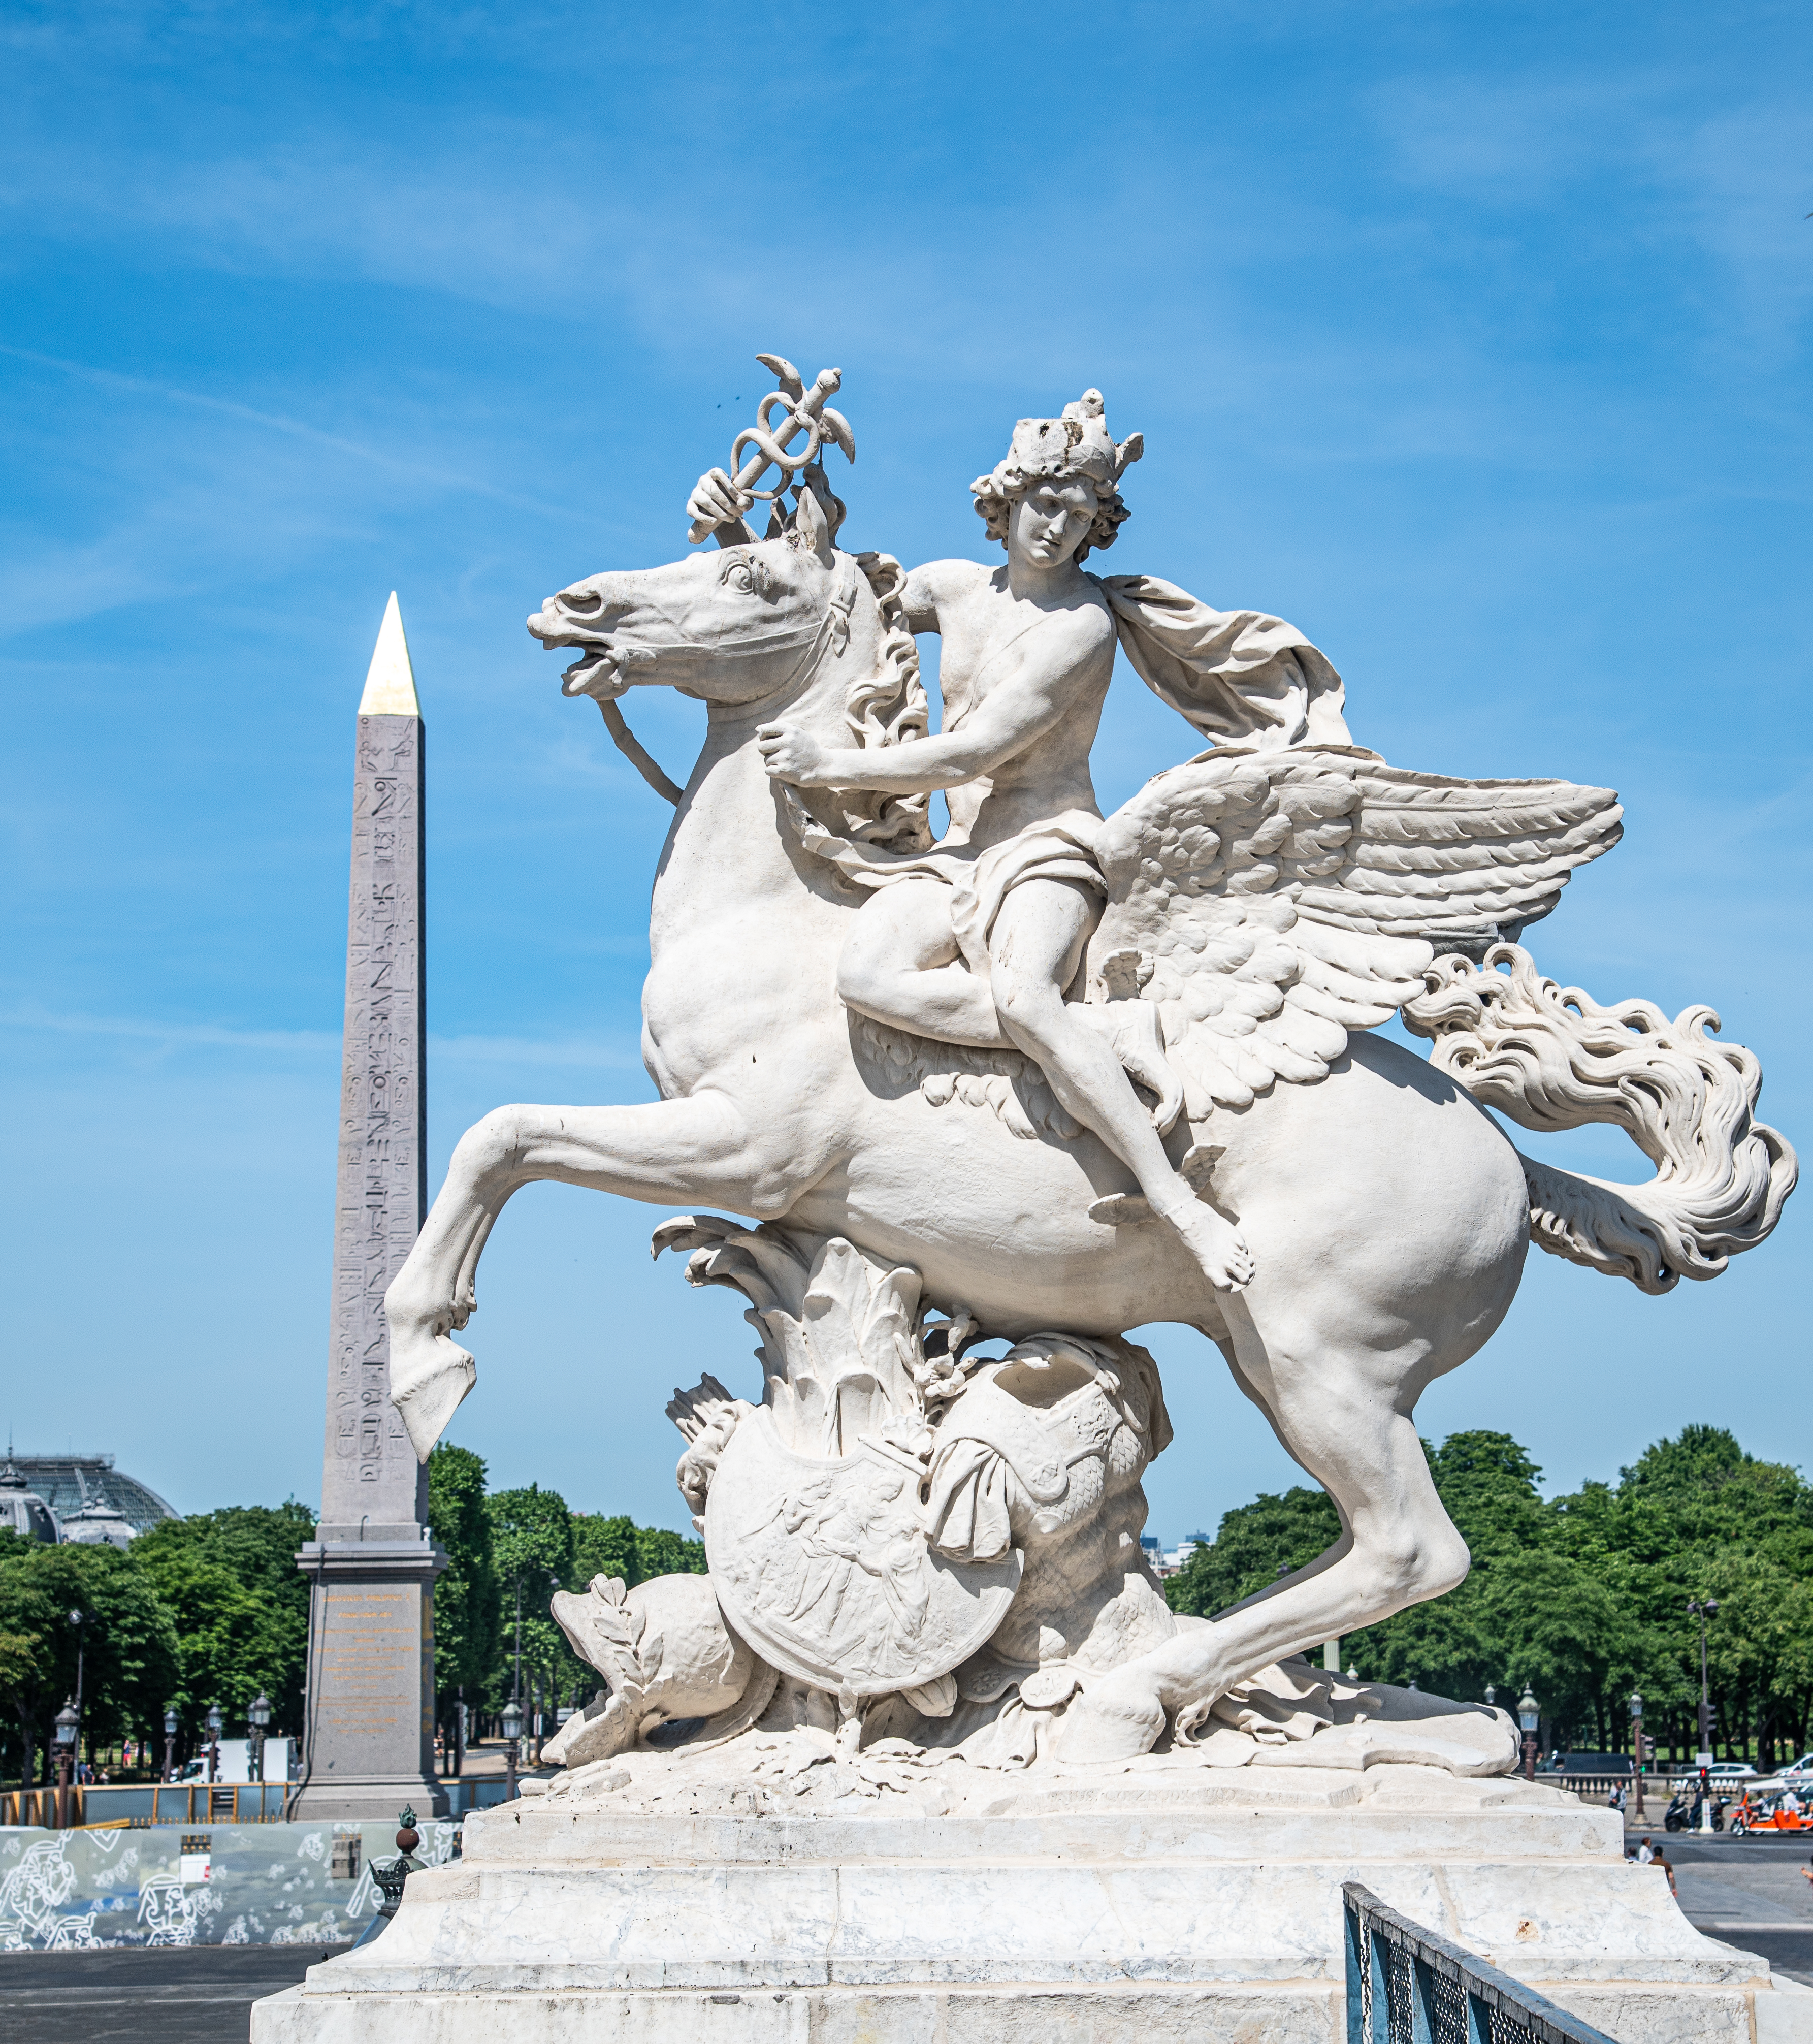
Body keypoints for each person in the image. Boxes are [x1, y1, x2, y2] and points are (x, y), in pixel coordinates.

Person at [690, 393, 1254, 1291]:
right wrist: (737, 545)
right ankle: (1085, 1046)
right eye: (1046, 504)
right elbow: (833, 614)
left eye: (1081, 516)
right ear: (1008, 499)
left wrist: (829, 763)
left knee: (1026, 998)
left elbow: (979, 748)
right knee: (861, 976)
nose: (1059, 528)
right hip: (954, 856)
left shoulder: (1083, 627)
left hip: (1047, 847)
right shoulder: (952, 585)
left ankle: (1172, 1197)